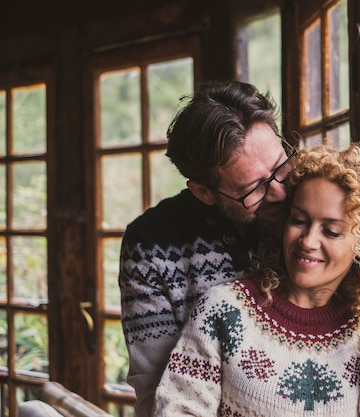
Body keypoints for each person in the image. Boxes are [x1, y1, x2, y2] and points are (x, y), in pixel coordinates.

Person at [153, 143, 360, 417]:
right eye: (300, 221)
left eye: (331, 231)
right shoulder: (223, 309)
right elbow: (178, 409)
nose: (308, 241)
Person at [118, 80, 295, 417]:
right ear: (203, 192)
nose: (281, 193)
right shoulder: (150, 246)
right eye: (254, 189)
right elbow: (157, 393)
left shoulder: (313, 206)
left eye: (280, 167)